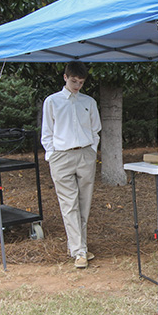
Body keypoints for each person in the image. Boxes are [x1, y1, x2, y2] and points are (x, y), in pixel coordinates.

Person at [41, 61, 101, 269]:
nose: (77, 85)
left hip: (85, 154)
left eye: (81, 82)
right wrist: (52, 155)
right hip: (62, 156)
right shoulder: (52, 101)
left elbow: (95, 130)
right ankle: (79, 251)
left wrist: (92, 151)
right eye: (74, 81)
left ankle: (78, 246)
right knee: (69, 204)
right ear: (65, 78)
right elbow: (47, 132)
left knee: (84, 203)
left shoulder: (89, 102)